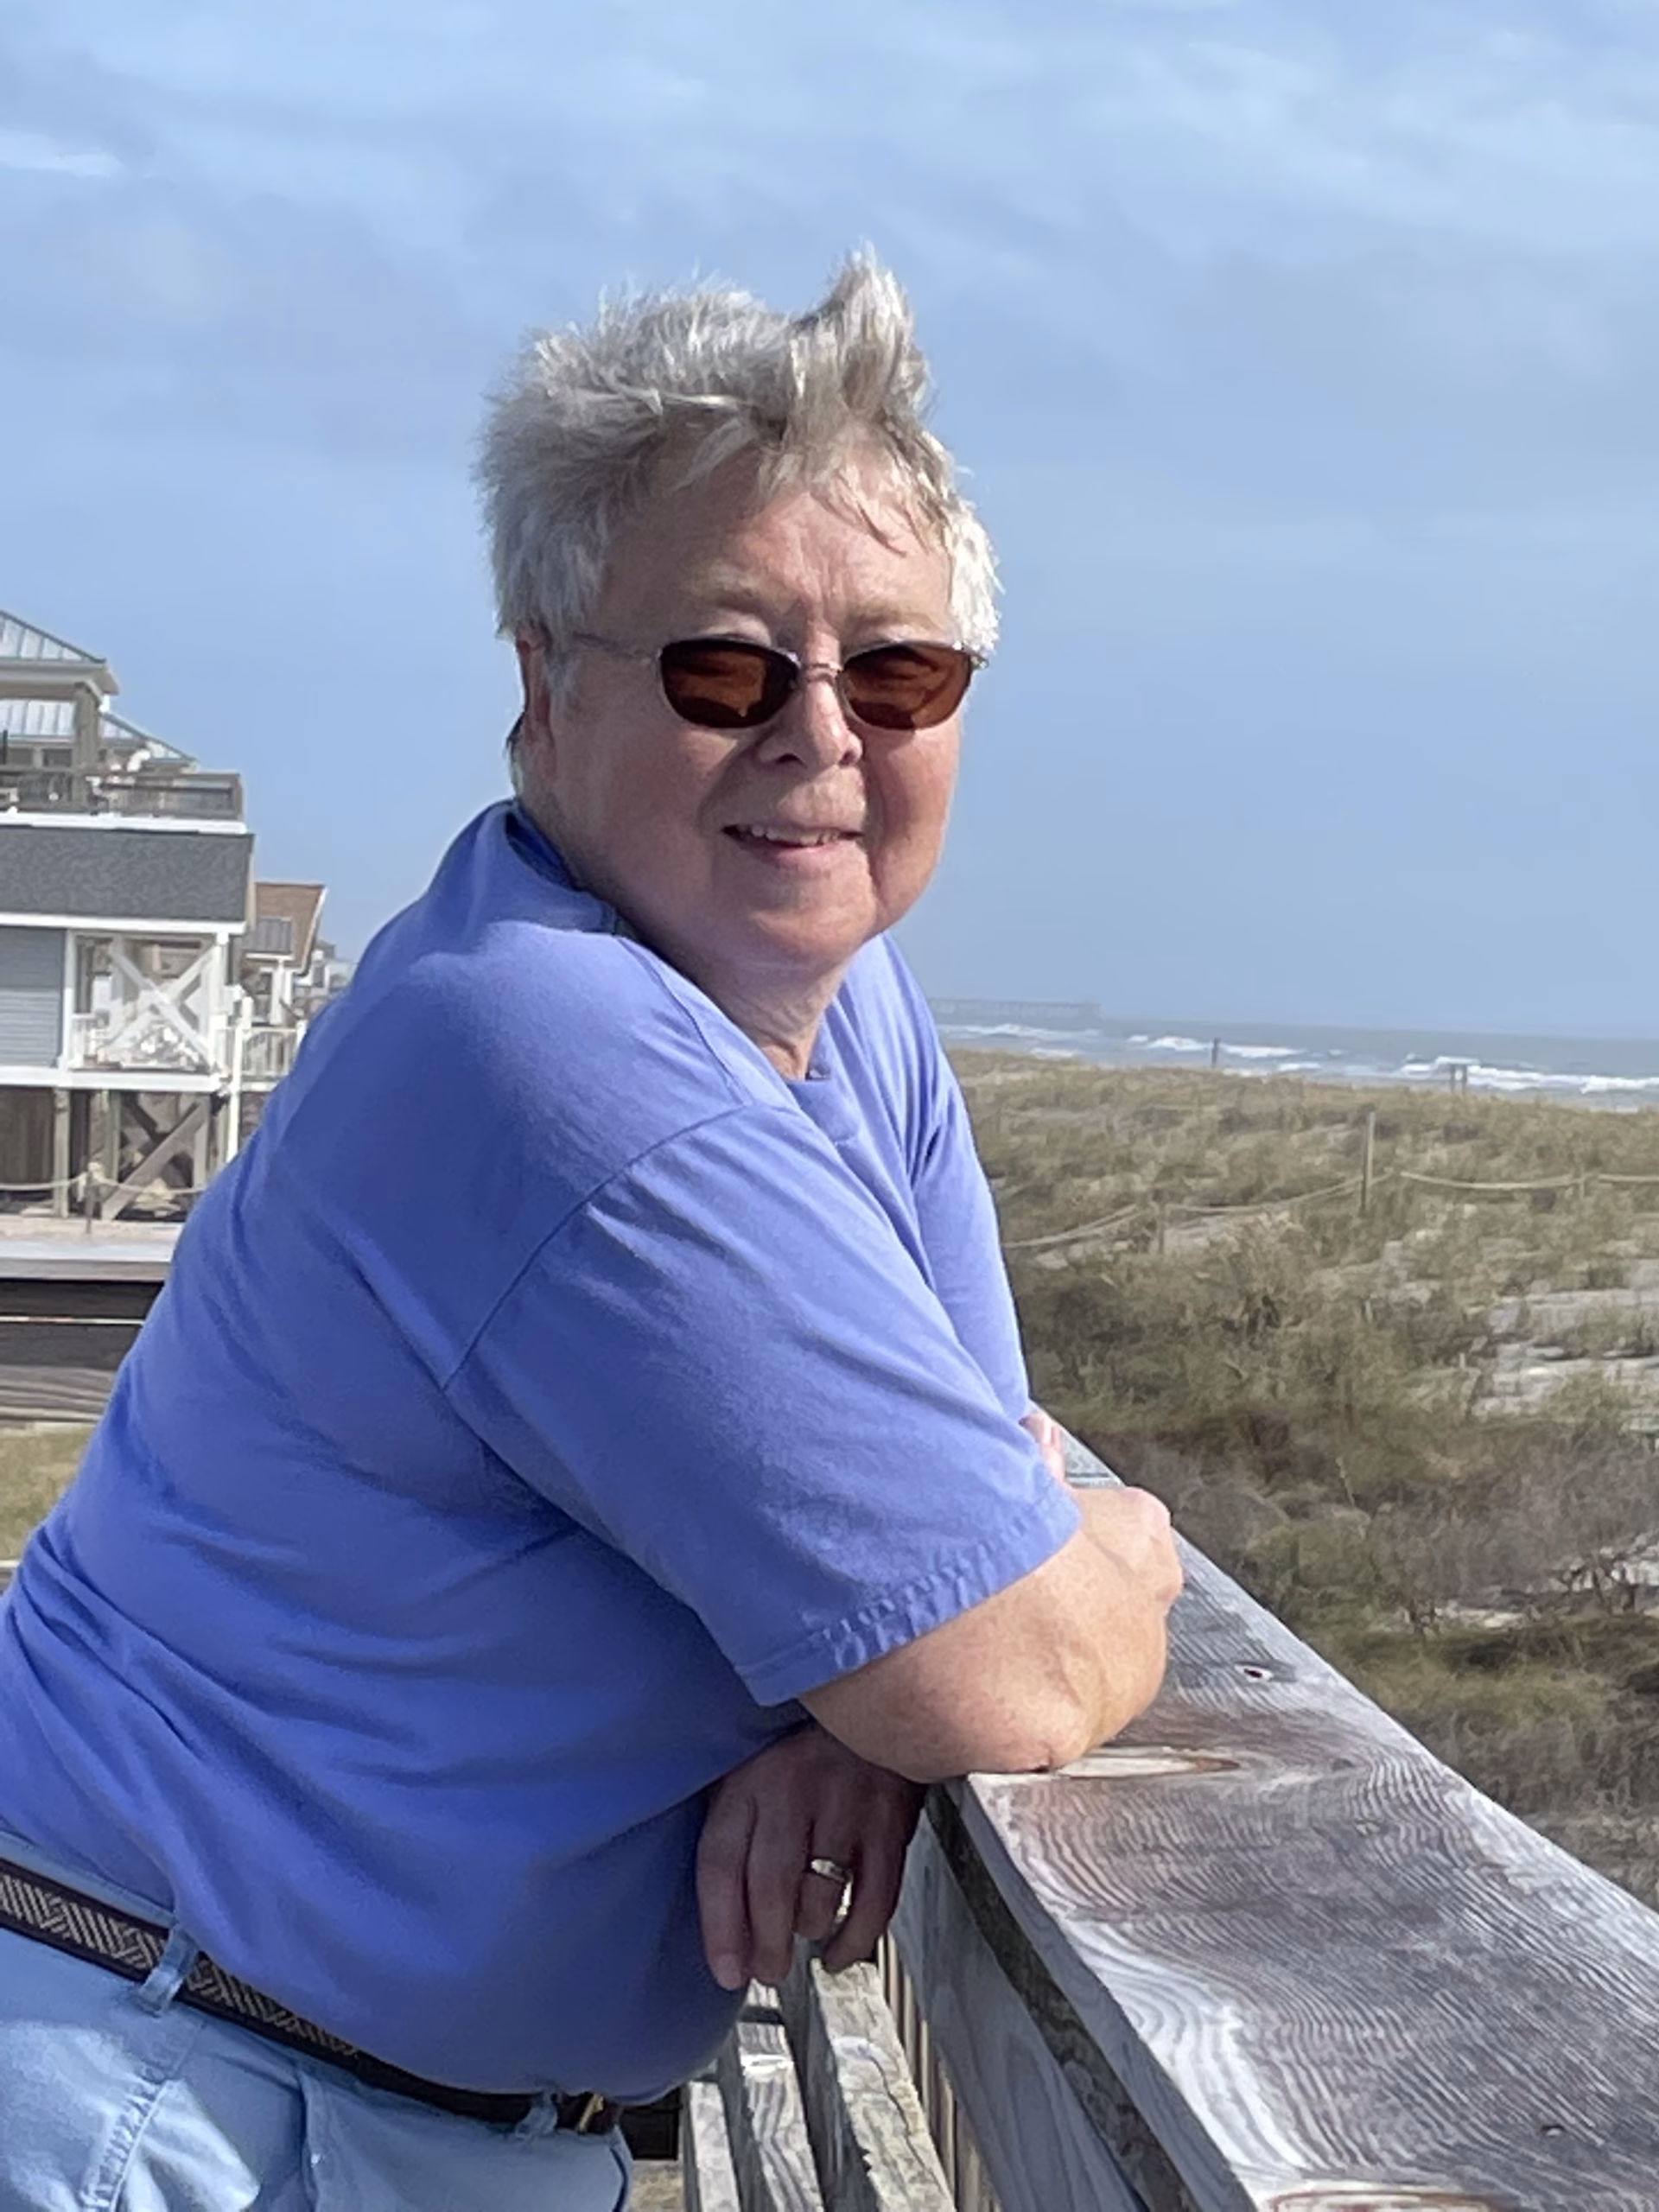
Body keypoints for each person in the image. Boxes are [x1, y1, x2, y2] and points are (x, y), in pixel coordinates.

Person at [0, 253, 1182, 2210]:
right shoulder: (547, 1052)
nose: (821, 736)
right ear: (545, 688)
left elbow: (967, 1500)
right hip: (167, 2088)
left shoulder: (834, 998)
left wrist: (864, 1705)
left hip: (377, 2101)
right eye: (728, 667)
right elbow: (1019, 1653)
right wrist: (1105, 1560)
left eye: (897, 673)